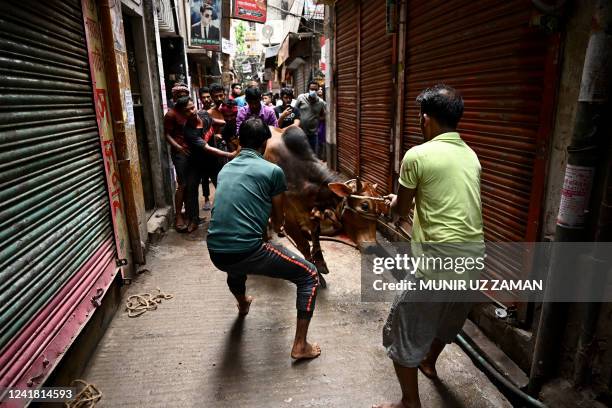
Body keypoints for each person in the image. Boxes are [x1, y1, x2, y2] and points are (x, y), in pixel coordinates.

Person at [374, 85, 484, 408]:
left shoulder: (417, 156)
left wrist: (391, 203)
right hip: (474, 265)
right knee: (446, 322)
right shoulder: (471, 155)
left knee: (399, 333)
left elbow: (400, 209)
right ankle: (429, 362)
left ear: (425, 119)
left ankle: (410, 402)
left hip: (435, 267)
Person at [207, 117, 321, 360]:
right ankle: (301, 345)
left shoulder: (226, 168)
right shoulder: (272, 171)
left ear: (239, 141)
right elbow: (278, 218)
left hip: (216, 251)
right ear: (264, 143)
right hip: (248, 250)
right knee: (309, 275)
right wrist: (277, 227)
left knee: (235, 266)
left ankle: (243, 302)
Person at [175, 96, 236, 233]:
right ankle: (193, 220)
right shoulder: (188, 131)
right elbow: (207, 148)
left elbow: (213, 121)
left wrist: (227, 123)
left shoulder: (203, 114)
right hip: (196, 162)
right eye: (187, 111)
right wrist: (229, 154)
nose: (191, 112)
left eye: (192, 107)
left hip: (213, 161)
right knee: (191, 190)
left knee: (222, 188)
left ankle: (228, 219)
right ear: (182, 114)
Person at [163, 83, 191, 232]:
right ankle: (178, 215)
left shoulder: (188, 110)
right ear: (174, 98)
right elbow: (166, 134)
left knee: (191, 183)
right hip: (180, 153)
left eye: (184, 95)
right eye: (178, 96)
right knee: (182, 184)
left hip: (192, 151)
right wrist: (178, 147)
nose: (182, 98)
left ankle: (190, 214)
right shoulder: (171, 114)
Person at [295, 81, 326, 156]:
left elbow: (324, 116)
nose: (313, 91)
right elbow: (295, 111)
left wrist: (316, 120)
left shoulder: (321, 103)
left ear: (318, 90)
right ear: (308, 89)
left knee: (312, 155)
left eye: (315, 89)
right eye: (311, 89)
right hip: (300, 133)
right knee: (300, 154)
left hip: (313, 135)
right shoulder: (301, 98)